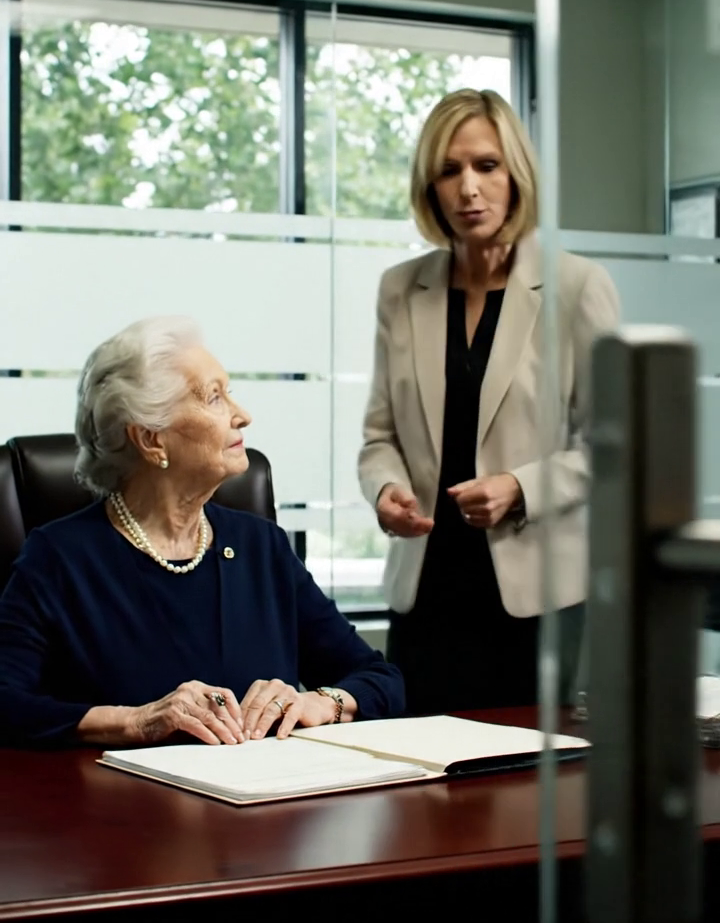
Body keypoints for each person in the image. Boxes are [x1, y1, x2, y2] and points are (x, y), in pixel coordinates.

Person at [0, 316, 404, 747]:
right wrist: (134, 721)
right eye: (214, 397)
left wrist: (322, 703)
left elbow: (381, 678)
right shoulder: (59, 558)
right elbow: (7, 700)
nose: (242, 415)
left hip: (265, 788)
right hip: (120, 791)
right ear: (150, 439)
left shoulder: (261, 547)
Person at [358, 88, 620, 715]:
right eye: (449, 170)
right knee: (419, 766)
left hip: (537, 597)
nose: (468, 188)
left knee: (527, 770)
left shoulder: (577, 286)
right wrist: (386, 490)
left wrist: (520, 487)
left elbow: (614, 445)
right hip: (426, 589)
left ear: (516, 174)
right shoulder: (401, 289)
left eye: (486, 165)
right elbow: (379, 437)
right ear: (430, 187)